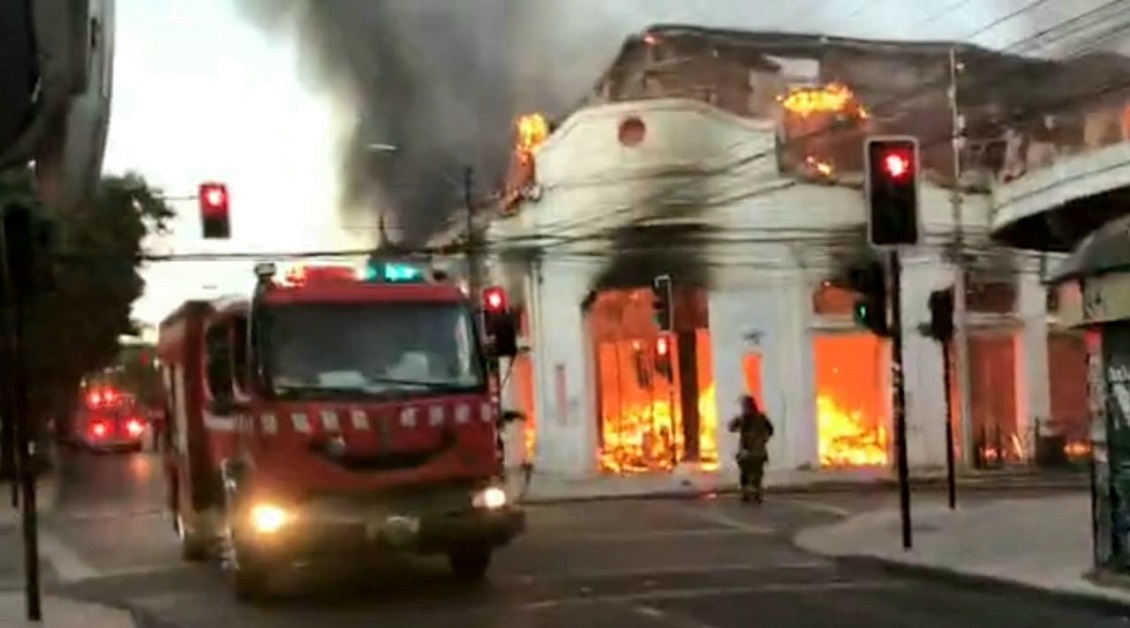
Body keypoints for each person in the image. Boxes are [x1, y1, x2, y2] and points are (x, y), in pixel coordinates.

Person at [728, 394, 774, 503]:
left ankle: (747, 493)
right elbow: (770, 430)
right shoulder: (761, 417)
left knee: (745, 473)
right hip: (758, 452)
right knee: (757, 473)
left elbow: (731, 427)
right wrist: (764, 439)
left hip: (748, 452)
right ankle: (755, 492)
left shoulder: (744, 418)